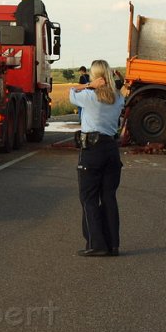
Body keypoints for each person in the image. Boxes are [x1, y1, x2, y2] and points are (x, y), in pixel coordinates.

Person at [69, 60, 126, 257]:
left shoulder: (88, 96)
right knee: (109, 197)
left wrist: (87, 85)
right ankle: (113, 244)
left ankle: (96, 243)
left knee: (89, 198)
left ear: (95, 77)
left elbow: (71, 93)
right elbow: (120, 95)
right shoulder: (118, 98)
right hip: (111, 149)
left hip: (92, 151)